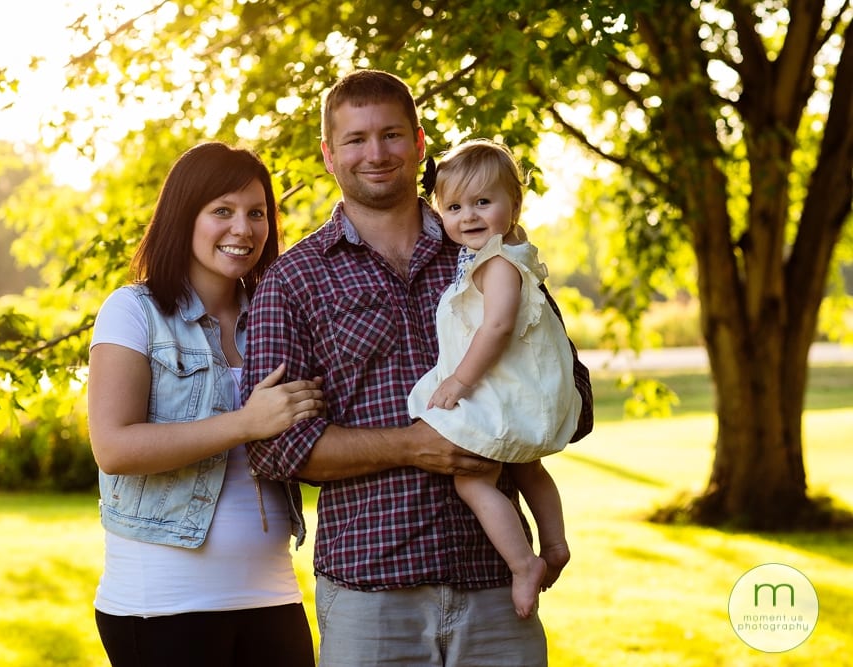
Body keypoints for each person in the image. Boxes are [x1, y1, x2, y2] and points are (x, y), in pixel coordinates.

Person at [243, 70, 592, 666]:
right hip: (370, 592)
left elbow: (573, 395)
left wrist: (505, 424)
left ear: (420, 143)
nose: (374, 154)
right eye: (354, 140)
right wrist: (412, 446)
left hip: (496, 587)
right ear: (329, 155)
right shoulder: (294, 281)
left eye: (391, 135)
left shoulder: (490, 253)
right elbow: (275, 449)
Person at [87, 141, 324, 667]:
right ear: (183, 217)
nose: (243, 229)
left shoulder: (275, 316)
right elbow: (114, 446)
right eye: (222, 211)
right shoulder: (133, 311)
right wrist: (245, 423)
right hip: (163, 605)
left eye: (257, 213)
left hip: (273, 595)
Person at [406, 138, 582, 620]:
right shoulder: (508, 250)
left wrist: (460, 382)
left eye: (483, 202)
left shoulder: (499, 263)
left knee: (473, 479)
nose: (468, 216)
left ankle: (524, 564)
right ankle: (557, 543)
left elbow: (498, 325)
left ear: (513, 204)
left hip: (501, 388)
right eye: (454, 207)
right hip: (519, 388)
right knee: (528, 469)